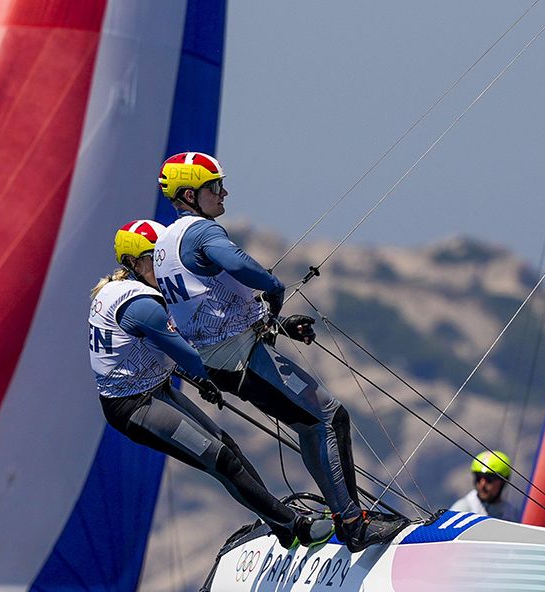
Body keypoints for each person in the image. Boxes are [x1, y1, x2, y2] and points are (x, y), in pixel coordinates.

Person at [153, 152, 399, 549]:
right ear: (189, 195)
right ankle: (354, 525)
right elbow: (237, 263)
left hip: (222, 361)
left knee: (310, 424)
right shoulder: (200, 232)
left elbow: (208, 305)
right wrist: (273, 286)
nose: (224, 193)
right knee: (330, 417)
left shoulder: (164, 243)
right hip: (242, 358)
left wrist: (273, 320)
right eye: (214, 186)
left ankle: (345, 515)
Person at [90, 219, 333, 548]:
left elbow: (206, 330)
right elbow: (189, 353)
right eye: (152, 258)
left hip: (156, 389)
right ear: (133, 264)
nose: (161, 266)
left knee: (226, 447)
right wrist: (213, 378)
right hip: (134, 406)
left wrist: (280, 327)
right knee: (220, 459)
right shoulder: (142, 304)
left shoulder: (137, 291)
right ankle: (296, 527)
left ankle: (282, 525)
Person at [449, 450, 522, 521]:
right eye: (478, 478)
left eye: (489, 478)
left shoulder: (512, 514)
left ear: (503, 481)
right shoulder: (461, 510)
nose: (482, 484)